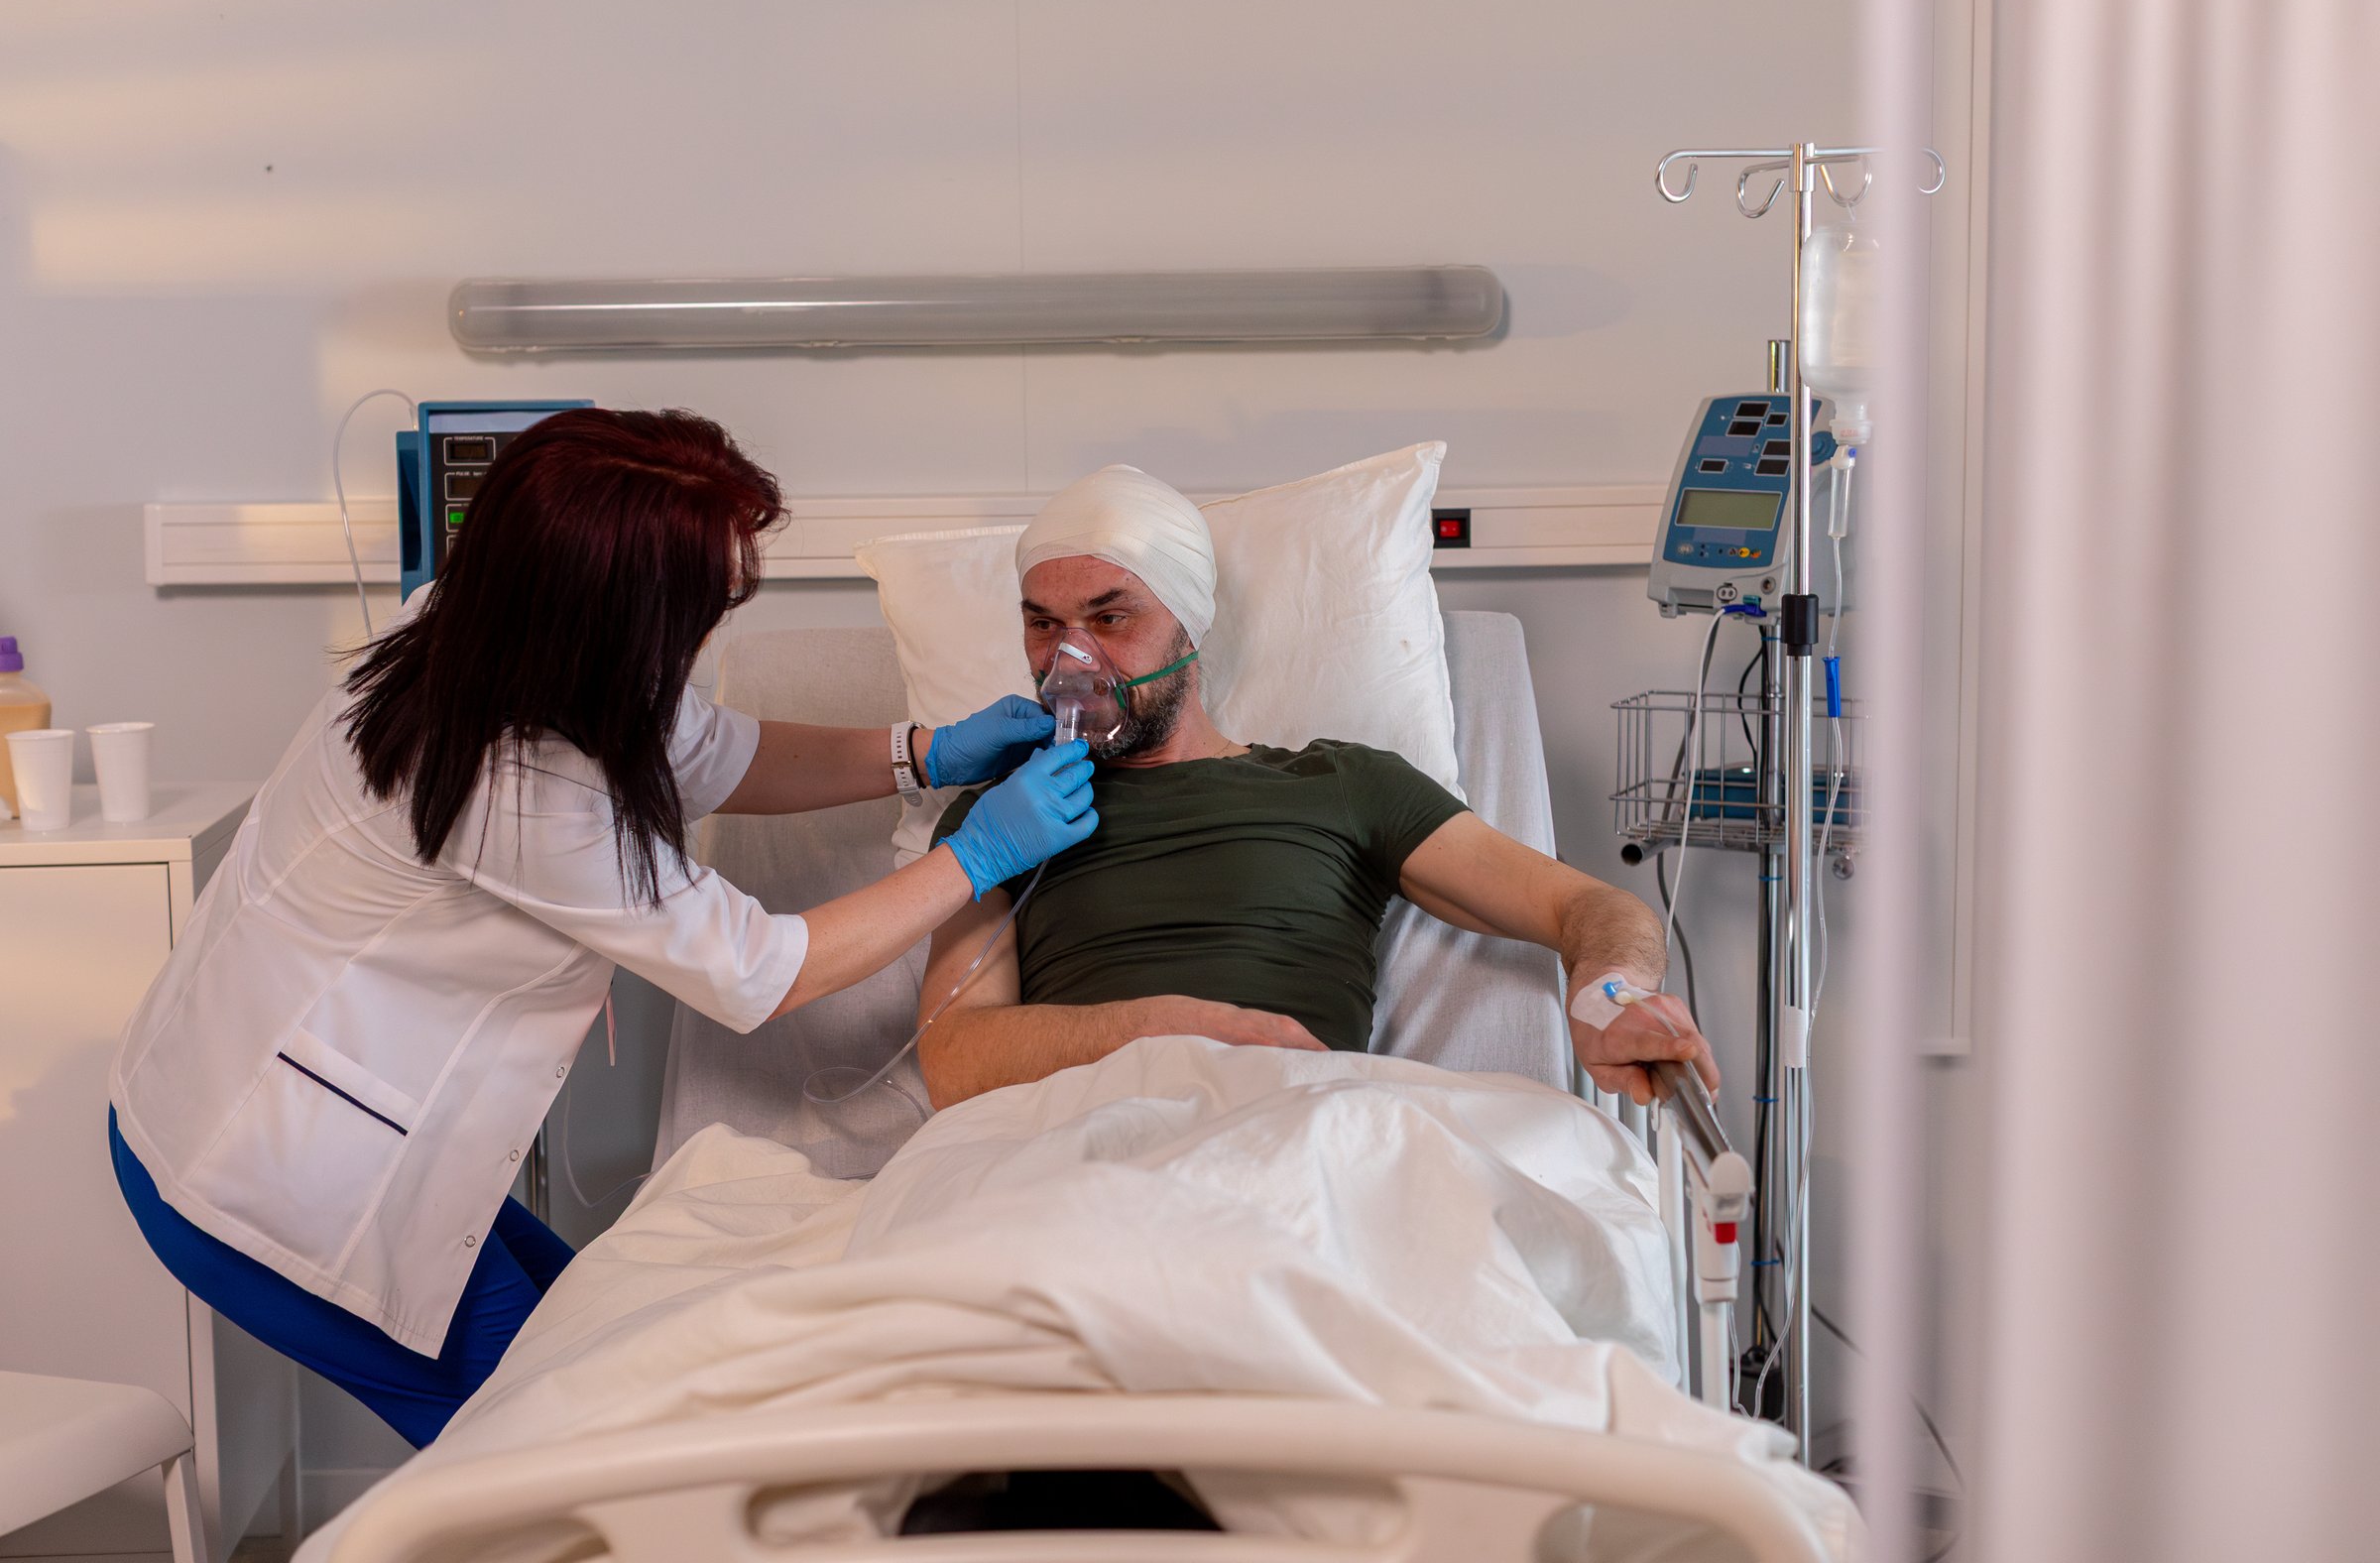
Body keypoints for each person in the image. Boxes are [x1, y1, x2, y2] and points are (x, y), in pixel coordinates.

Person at [106, 409, 1097, 1447]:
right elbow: (762, 969)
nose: (715, 631)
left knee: (589, 1354)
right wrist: (976, 855)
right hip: (276, 1177)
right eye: (707, 605)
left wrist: (921, 751)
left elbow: (714, 753)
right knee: (543, 1460)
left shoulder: (502, 629)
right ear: (615, 612)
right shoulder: (516, 787)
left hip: (314, 1107)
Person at [918, 463, 1717, 1110]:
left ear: (1188, 627)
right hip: (1065, 1145)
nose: (1072, 661)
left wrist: (1610, 995)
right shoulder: (998, 820)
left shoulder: (1338, 784)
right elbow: (955, 1058)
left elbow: (1589, 907)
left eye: (1111, 618)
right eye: (1044, 625)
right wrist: (1164, 1030)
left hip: (1299, 1135)